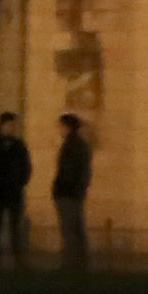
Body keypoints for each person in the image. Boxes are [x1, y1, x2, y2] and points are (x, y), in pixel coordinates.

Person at [0, 113, 30, 266]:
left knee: (15, 225)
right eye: (10, 125)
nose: (12, 128)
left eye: (13, 125)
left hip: (13, 190)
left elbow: (26, 165)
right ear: (2, 125)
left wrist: (21, 181)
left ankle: (17, 256)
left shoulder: (18, 144)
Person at [53, 112, 96, 270]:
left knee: (69, 229)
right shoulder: (80, 145)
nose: (60, 129)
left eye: (61, 126)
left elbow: (68, 171)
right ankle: (80, 261)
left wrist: (63, 187)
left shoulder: (72, 146)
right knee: (76, 228)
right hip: (75, 192)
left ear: (68, 127)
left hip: (68, 192)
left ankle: (71, 262)